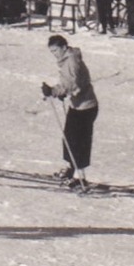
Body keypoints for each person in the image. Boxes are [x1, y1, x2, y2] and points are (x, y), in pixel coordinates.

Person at [41, 35, 98, 185]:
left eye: (56, 51)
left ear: (64, 47)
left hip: (85, 107)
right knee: (69, 138)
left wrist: (54, 91)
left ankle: (80, 177)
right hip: (77, 105)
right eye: (52, 52)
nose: (54, 55)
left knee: (80, 142)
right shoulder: (68, 59)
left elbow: (72, 85)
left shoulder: (71, 61)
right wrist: (62, 92)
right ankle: (70, 169)